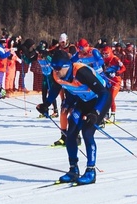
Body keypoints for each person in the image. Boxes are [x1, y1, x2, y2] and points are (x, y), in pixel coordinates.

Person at [37, 48, 110, 185]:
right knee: (70, 133)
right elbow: (55, 88)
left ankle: (90, 171)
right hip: (83, 100)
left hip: (99, 100)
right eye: (53, 67)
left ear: (67, 66)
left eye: (58, 68)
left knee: (87, 133)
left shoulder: (81, 72)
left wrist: (96, 113)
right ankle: (73, 170)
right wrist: (46, 104)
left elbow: (104, 93)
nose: (56, 71)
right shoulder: (57, 74)